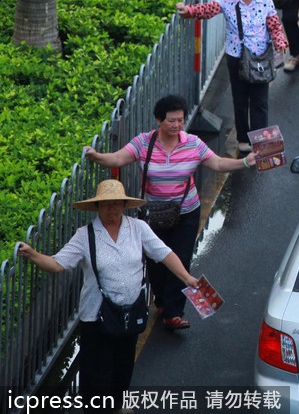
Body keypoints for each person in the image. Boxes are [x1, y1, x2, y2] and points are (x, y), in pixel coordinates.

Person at [17, 179, 199, 412]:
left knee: (123, 367)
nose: (112, 209)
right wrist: (32, 254)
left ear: (124, 205)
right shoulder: (85, 236)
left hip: (130, 313)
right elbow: (56, 264)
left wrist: (187, 278)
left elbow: (164, 254)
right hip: (96, 316)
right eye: (106, 204)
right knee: (96, 374)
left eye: (116, 204)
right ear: (97, 207)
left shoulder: (138, 228)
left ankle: (117, 405)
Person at [85, 94, 257, 331]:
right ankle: (163, 301)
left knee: (181, 259)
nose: (177, 125)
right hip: (153, 214)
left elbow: (217, 163)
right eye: (171, 121)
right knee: (156, 260)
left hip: (186, 212)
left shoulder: (193, 143)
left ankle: (174, 312)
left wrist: (244, 163)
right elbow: (117, 158)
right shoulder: (144, 143)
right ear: (158, 120)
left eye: (180, 120)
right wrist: (96, 157)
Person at [176, 0, 289, 150]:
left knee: (260, 101)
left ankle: (261, 144)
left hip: (261, 57)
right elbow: (207, 9)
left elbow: (274, 25)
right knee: (241, 99)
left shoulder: (265, 0)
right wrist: (189, 11)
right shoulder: (228, 1)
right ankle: (243, 139)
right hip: (236, 58)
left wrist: (280, 41)